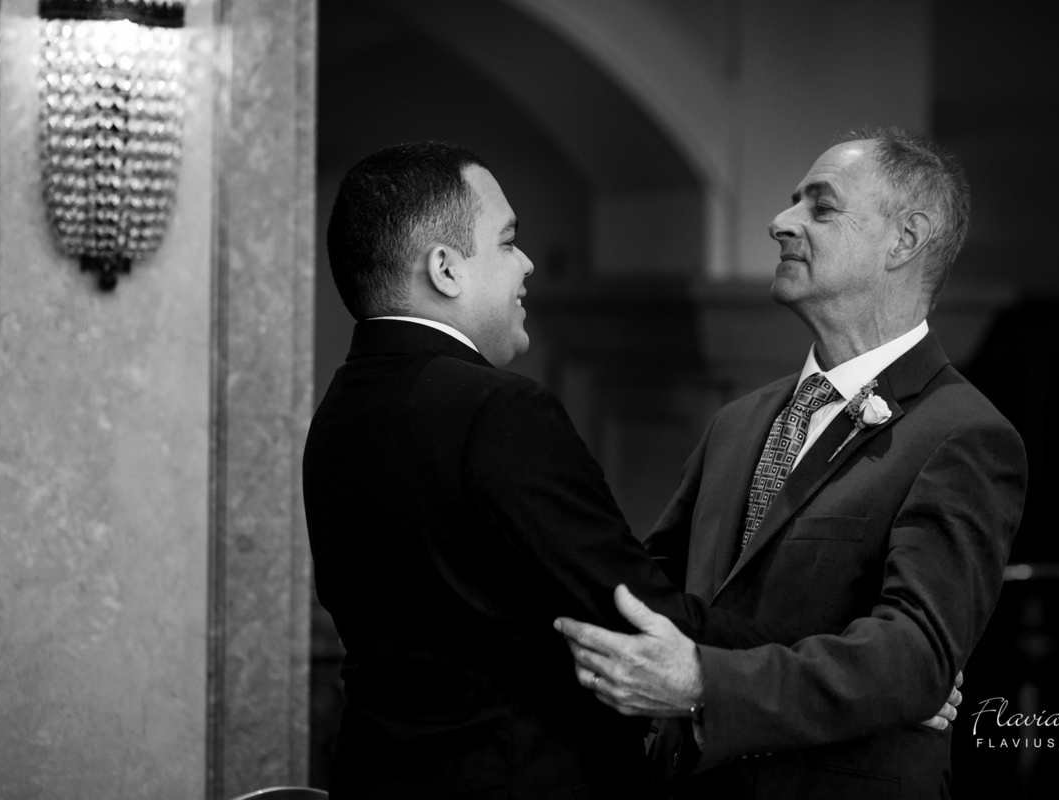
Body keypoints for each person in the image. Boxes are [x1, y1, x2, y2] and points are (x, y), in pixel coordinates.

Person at [305, 141, 898, 800]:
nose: (528, 264)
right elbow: (632, 608)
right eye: (506, 243)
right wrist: (858, 673)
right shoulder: (497, 409)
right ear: (445, 270)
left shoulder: (339, 412)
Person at [556, 127, 1027, 798]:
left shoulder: (964, 435)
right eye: (790, 203)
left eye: (820, 206)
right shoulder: (740, 422)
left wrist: (704, 683)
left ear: (905, 240)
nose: (780, 223)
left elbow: (916, 656)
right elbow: (653, 588)